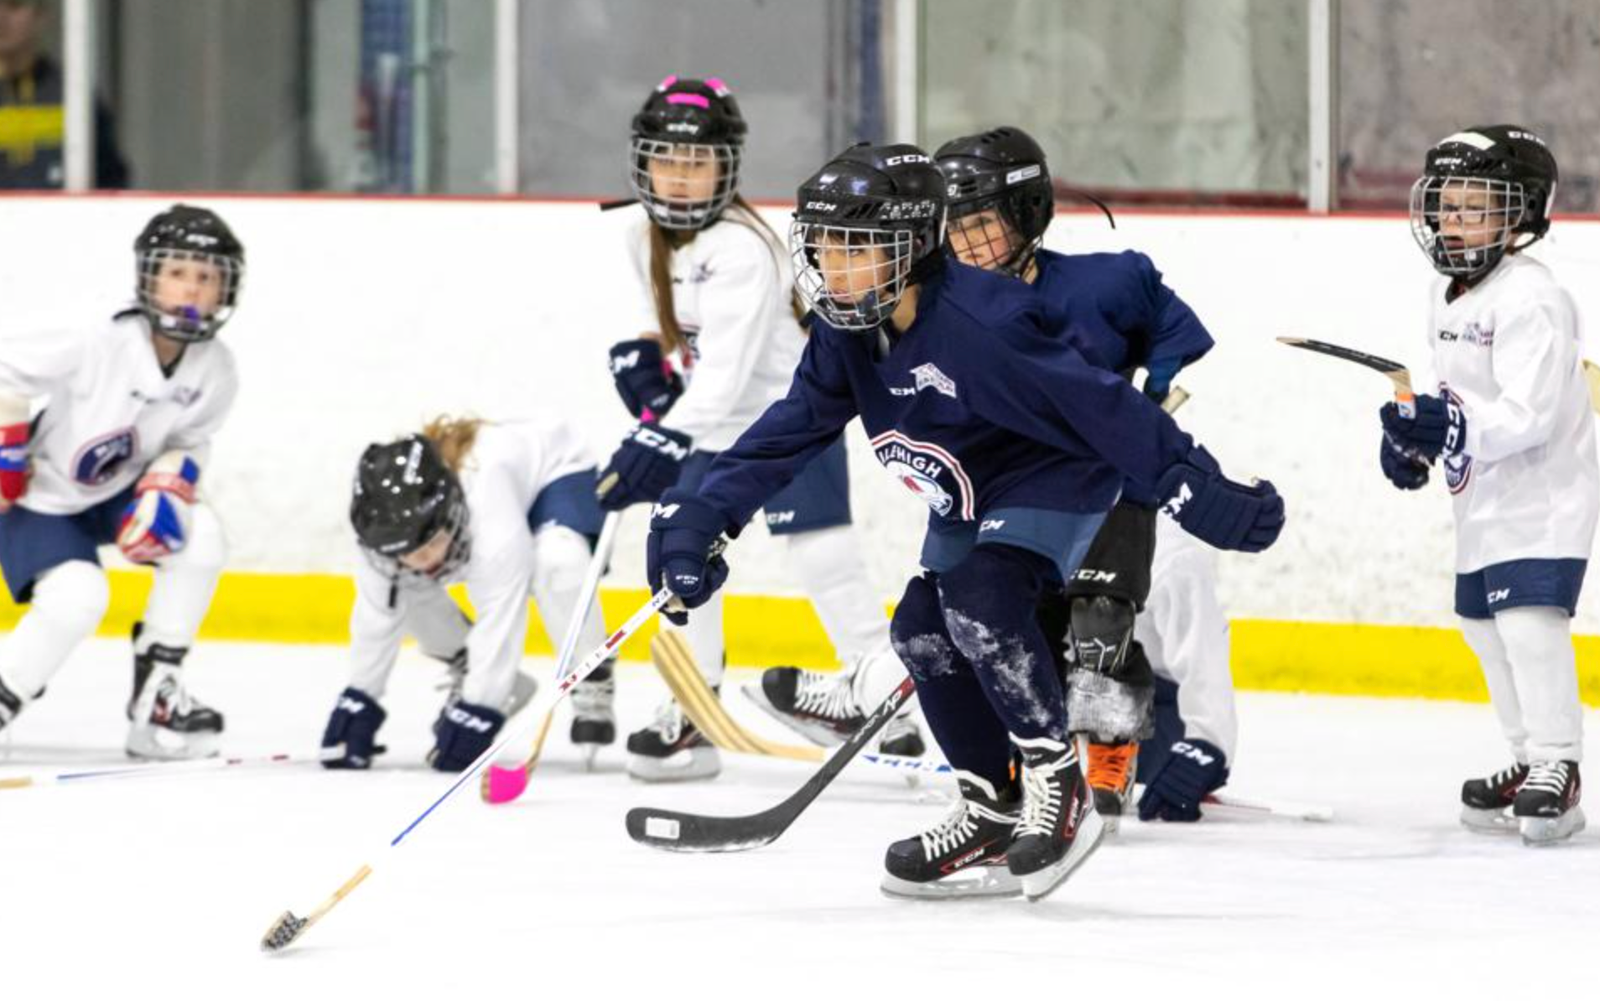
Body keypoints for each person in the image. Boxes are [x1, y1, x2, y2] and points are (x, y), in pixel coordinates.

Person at [642, 142, 1284, 900]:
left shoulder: (984, 323)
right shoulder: (847, 332)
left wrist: (1191, 481)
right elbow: (788, 430)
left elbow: (1100, 403)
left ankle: (1056, 781)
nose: (829, 266)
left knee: (982, 598)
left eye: (855, 248)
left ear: (911, 249)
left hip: (1054, 475)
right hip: (967, 491)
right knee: (918, 626)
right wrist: (703, 513)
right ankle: (990, 803)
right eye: (822, 246)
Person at [594, 75, 923, 783]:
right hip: (702, 424)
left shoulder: (744, 248)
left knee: (823, 560)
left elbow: (731, 374)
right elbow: (664, 330)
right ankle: (692, 704)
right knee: (680, 561)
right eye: (667, 161)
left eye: (698, 163)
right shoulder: (637, 232)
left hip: (784, 421)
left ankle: (887, 700)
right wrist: (642, 368)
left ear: (727, 167)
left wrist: (662, 432)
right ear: (642, 162)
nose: (680, 180)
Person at [934, 126, 1234, 827]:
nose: (968, 247)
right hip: (1018, 494)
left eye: (982, 225)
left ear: (1029, 213)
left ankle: (1111, 747)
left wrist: (1155, 384)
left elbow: (1166, 318)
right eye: (955, 230)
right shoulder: (950, 310)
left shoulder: (1107, 280)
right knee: (1002, 619)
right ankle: (1031, 750)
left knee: (1107, 617)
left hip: (1112, 476)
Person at [1381, 125, 1592, 846]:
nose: (1453, 221)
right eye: (1446, 205)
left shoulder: (1533, 297)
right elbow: (1455, 397)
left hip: (1545, 494)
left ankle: (1559, 764)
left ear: (1521, 216)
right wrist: (1414, 440)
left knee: (1531, 625)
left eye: (1477, 208)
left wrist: (1449, 428)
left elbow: (1528, 416)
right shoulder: (1450, 296)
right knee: (1482, 625)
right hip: (1483, 497)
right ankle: (1529, 756)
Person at [0, 204, 240, 759]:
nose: (191, 289)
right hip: (41, 498)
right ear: (149, 277)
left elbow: (191, 440)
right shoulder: (97, 335)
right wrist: (6, 450)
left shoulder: (217, 368)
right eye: (178, 272)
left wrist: (169, 481)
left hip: (119, 494)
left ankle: (157, 697)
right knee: (78, 597)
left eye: (207, 277)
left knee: (200, 534)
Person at [323, 415, 612, 772]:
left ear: (449, 510)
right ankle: (469, 666)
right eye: (403, 551)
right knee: (401, 586)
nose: (418, 560)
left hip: (554, 474)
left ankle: (590, 676)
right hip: (501, 493)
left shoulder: (487, 513)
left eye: (427, 544)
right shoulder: (381, 527)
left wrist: (479, 709)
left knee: (558, 561)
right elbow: (377, 615)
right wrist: (358, 699)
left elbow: (500, 617)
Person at [0, 0, 128, 188]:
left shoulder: (72, 94)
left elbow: (111, 179)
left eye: (15, 5)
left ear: (40, 15)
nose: (2, 18)